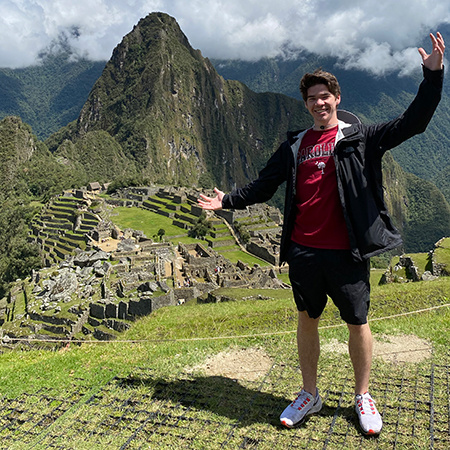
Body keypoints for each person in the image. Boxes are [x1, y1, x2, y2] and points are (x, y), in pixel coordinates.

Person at [198, 32, 445, 435]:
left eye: (324, 96)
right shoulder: (294, 145)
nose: (319, 103)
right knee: (306, 319)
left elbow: (413, 123)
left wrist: (432, 76)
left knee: (357, 322)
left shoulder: (362, 139)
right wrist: (227, 201)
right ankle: (309, 394)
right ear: (307, 104)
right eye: (312, 98)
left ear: (337, 98)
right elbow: (264, 185)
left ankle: (363, 396)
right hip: (304, 252)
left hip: (346, 251)